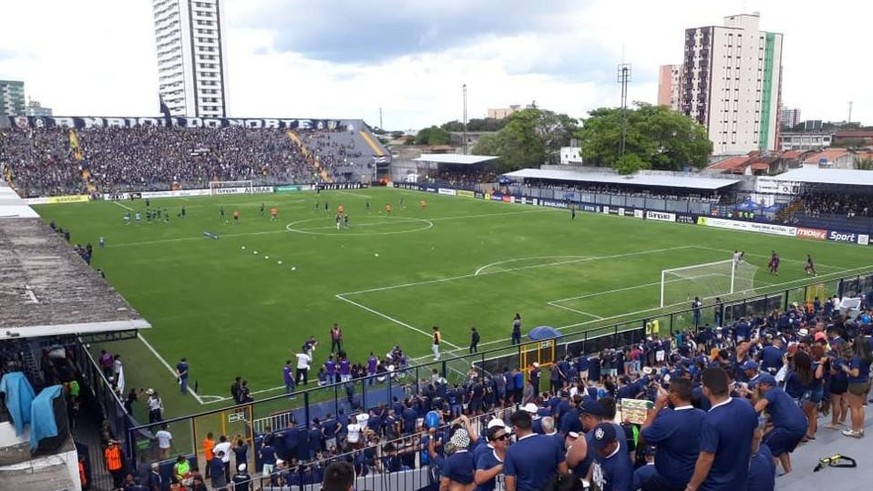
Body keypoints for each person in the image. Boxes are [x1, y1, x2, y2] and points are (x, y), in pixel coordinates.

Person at [685, 367, 758, 491]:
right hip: (740, 480)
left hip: (715, 485)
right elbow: (757, 435)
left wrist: (691, 486)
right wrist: (749, 455)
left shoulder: (710, 421)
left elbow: (706, 458)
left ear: (706, 390)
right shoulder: (745, 405)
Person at [639, 378, 706, 491]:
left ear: (674, 395)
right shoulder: (702, 415)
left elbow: (642, 437)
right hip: (694, 476)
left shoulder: (667, 421)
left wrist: (656, 409)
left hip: (669, 479)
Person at [748, 373, 806, 475]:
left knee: (767, 447)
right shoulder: (779, 392)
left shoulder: (771, 393)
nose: (758, 387)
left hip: (788, 428)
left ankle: (769, 476)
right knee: (780, 447)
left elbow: (760, 405)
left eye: (760, 385)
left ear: (767, 385)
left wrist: (747, 417)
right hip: (801, 426)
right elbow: (768, 416)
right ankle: (788, 471)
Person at [503, 410, 567, 491]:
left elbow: (510, 487)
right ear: (531, 423)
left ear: (515, 428)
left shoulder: (511, 451)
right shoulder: (552, 442)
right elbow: (564, 472)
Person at [841, 337, 872, 438]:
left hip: (855, 383)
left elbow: (855, 373)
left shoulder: (856, 358)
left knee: (854, 408)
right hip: (865, 382)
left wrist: (846, 369)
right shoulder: (868, 356)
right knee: (860, 407)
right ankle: (860, 428)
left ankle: (855, 430)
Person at [589, 422, 634, 491]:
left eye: (604, 447)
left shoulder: (621, 467)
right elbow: (594, 464)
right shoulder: (599, 450)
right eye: (597, 446)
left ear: (614, 441)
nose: (599, 450)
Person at [476, 424, 510, 491]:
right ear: (493, 443)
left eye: (507, 435)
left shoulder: (514, 455)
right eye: (501, 438)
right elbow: (478, 479)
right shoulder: (486, 458)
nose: (506, 439)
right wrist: (500, 468)